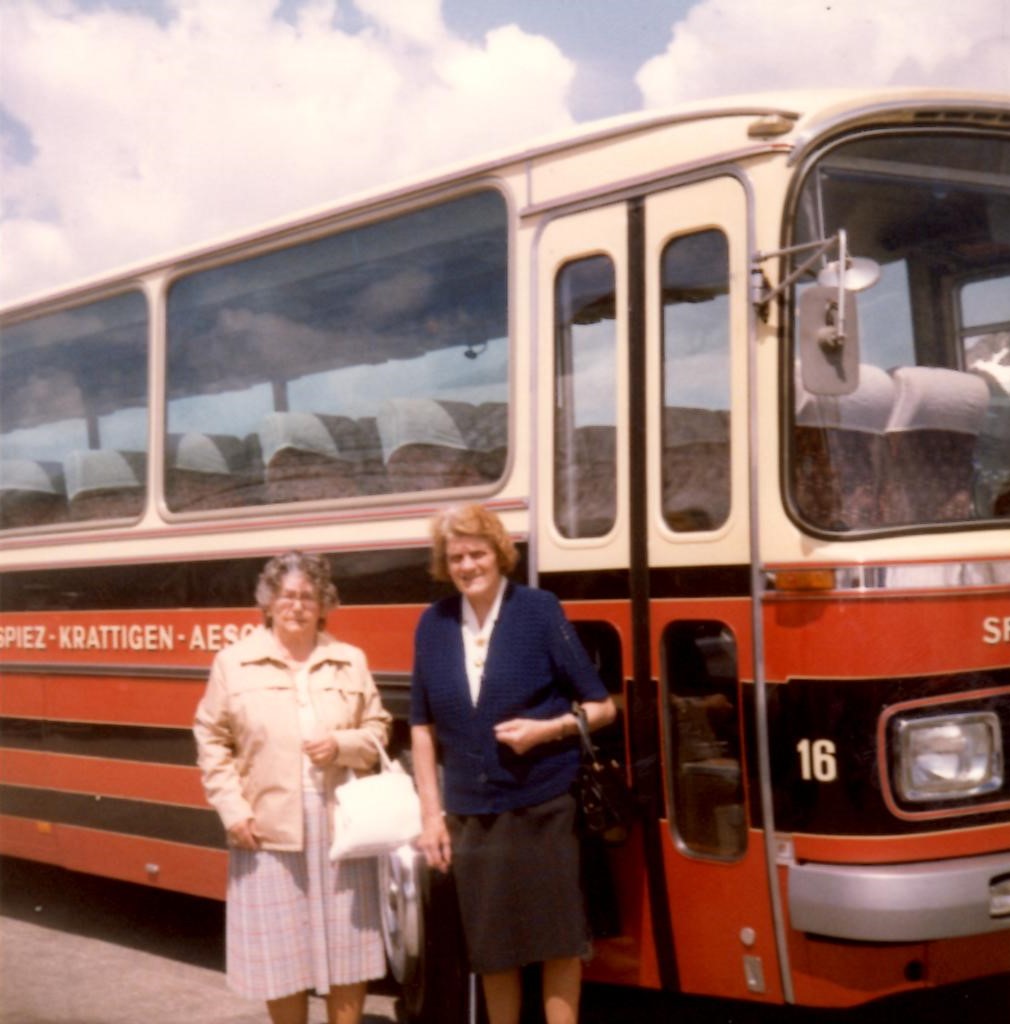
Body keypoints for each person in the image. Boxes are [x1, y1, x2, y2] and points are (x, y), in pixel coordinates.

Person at [410, 504, 617, 1024]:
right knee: (493, 950)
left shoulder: (538, 610)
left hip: (544, 806)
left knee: (558, 943)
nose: (467, 565)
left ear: (499, 554)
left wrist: (548, 730)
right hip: (471, 816)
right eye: (455, 556)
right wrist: (431, 816)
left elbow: (602, 705)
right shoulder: (432, 625)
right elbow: (421, 727)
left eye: (477, 553)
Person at [194, 551, 391, 1024]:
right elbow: (211, 738)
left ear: (324, 605)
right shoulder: (234, 662)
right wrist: (232, 809)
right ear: (268, 603)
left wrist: (341, 744)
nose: (297, 606)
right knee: (282, 957)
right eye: (287, 596)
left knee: (349, 949)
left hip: (341, 827)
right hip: (266, 827)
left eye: (308, 596)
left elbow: (378, 729)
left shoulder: (349, 661)